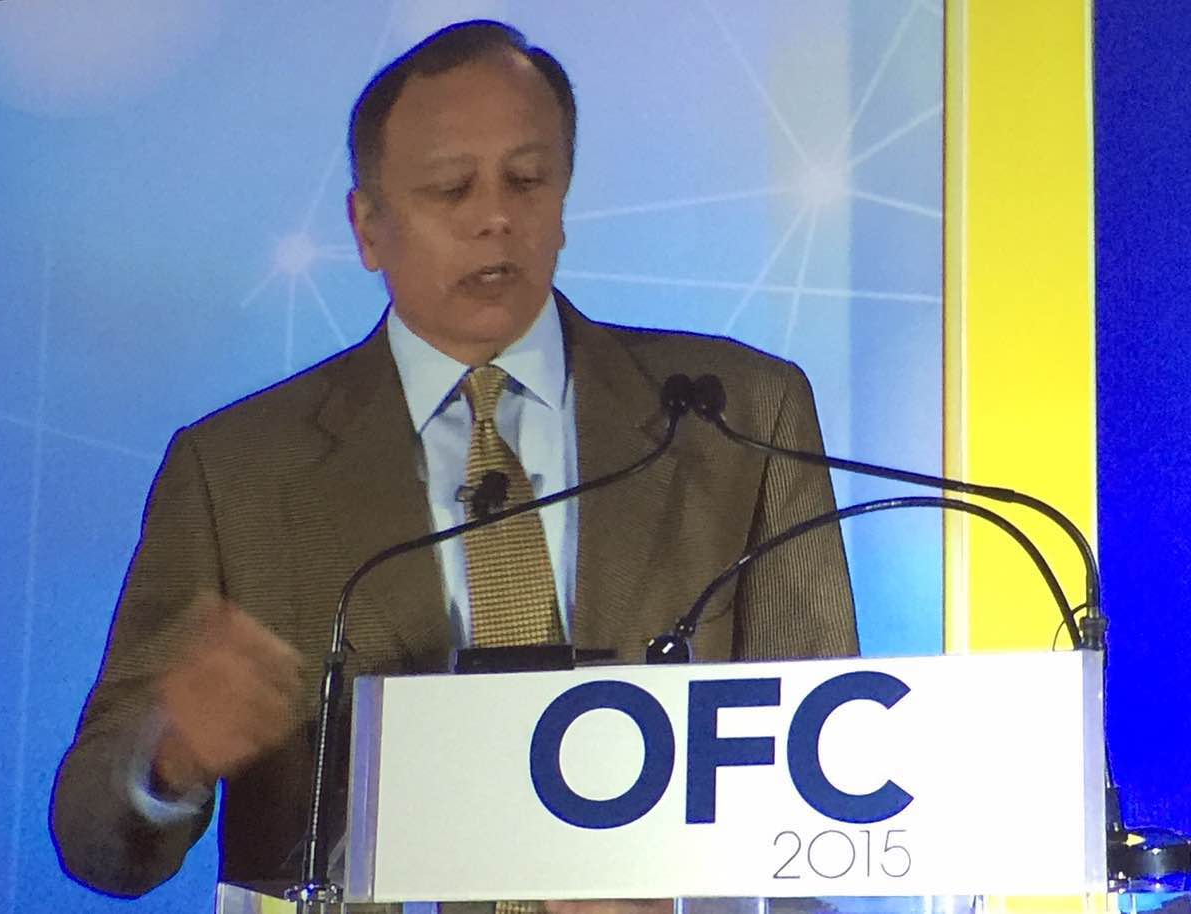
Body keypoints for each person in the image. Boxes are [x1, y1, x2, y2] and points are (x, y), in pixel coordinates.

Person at [50, 19, 857, 905]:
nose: (494, 217)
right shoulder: (236, 472)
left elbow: (822, 813)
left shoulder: (739, 419)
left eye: (527, 180)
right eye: (450, 188)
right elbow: (94, 845)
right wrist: (170, 754)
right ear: (368, 227)